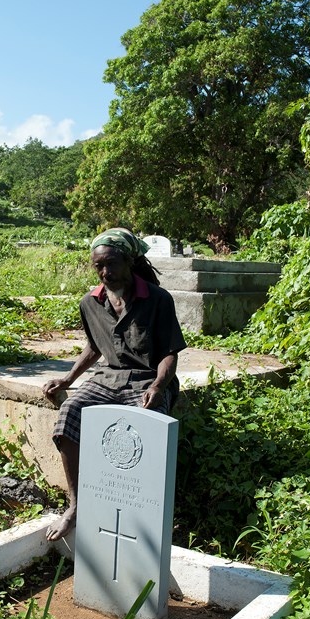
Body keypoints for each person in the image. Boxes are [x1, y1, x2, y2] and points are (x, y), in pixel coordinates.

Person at [42, 227, 187, 541]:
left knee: (150, 426)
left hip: (147, 379)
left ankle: (149, 512)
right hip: (108, 379)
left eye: (112, 263)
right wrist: (67, 379)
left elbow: (169, 352)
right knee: (70, 412)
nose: (105, 272)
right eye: (99, 266)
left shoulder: (157, 299)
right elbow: (95, 348)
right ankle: (76, 505)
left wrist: (159, 386)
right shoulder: (90, 303)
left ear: (129, 262)